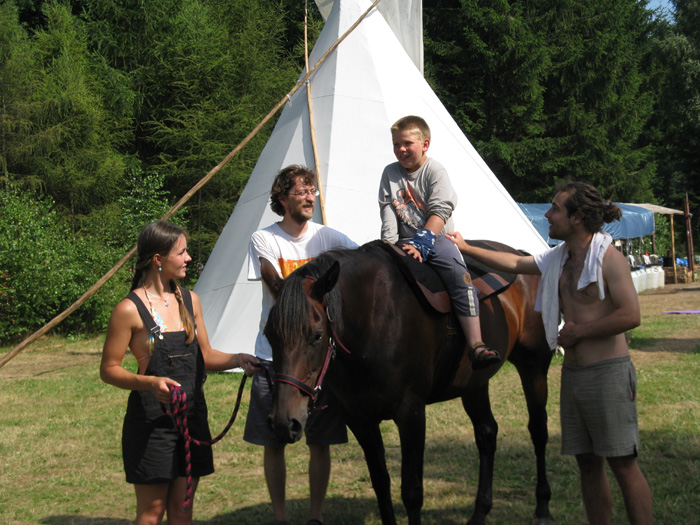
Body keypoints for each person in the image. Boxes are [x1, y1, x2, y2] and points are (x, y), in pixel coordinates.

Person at [446, 181, 653, 524]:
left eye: (556, 209)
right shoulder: (559, 258)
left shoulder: (609, 260)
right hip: (574, 376)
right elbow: (515, 262)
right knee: (588, 464)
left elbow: (632, 315)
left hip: (608, 374)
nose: (548, 215)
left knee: (623, 465)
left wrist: (579, 331)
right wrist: (466, 247)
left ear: (577, 217)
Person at [100, 221, 259, 525]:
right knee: (152, 513)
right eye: (181, 252)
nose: (188, 258)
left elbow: (205, 355)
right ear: (157, 259)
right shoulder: (129, 310)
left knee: (182, 511)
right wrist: (150, 383)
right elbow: (109, 370)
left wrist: (238, 359)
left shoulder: (190, 300)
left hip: (192, 418)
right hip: (152, 424)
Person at [244, 165, 358, 525]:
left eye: (312, 192)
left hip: (316, 362)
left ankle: (315, 517)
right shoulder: (264, 239)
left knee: (319, 442)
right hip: (274, 357)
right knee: (273, 442)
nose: (310, 198)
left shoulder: (329, 238)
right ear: (282, 198)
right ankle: (280, 517)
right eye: (301, 192)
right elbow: (274, 283)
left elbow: (361, 264)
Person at [378, 115, 500, 368]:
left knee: (459, 278)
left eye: (407, 143)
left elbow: (441, 211)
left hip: (436, 238)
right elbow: (388, 210)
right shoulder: (389, 172)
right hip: (402, 240)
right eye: (396, 144)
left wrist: (422, 241)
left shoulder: (435, 171)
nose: (401, 149)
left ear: (425, 144)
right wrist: (387, 245)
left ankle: (476, 344)